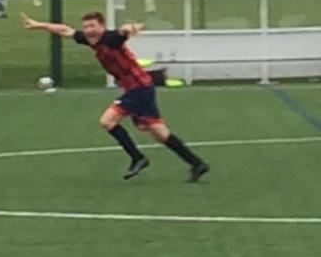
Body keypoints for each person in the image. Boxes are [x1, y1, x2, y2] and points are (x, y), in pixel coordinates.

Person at [21, 11, 210, 182]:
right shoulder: (88, 39)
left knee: (107, 121)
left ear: (102, 27)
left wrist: (131, 28)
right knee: (159, 132)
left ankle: (138, 158)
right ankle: (197, 164)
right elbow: (65, 30)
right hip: (140, 88)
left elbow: (123, 31)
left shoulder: (110, 38)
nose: (88, 30)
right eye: (86, 26)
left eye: (92, 26)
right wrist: (39, 24)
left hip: (139, 88)